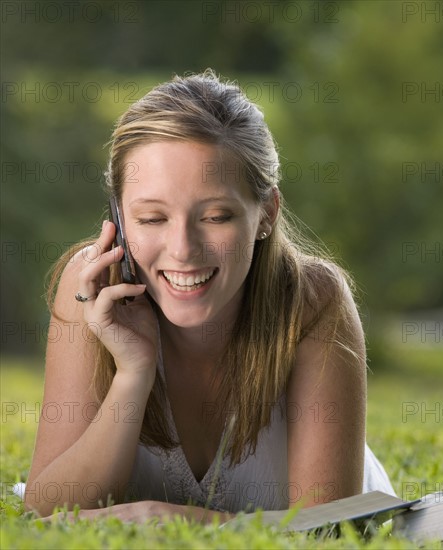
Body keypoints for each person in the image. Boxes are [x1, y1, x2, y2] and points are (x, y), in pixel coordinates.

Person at [23, 70, 395, 523]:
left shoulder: (313, 302)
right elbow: (45, 513)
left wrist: (167, 518)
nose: (182, 250)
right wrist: (133, 372)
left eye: (216, 217)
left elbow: (327, 529)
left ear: (266, 215)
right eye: (152, 219)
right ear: (118, 218)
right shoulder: (89, 289)